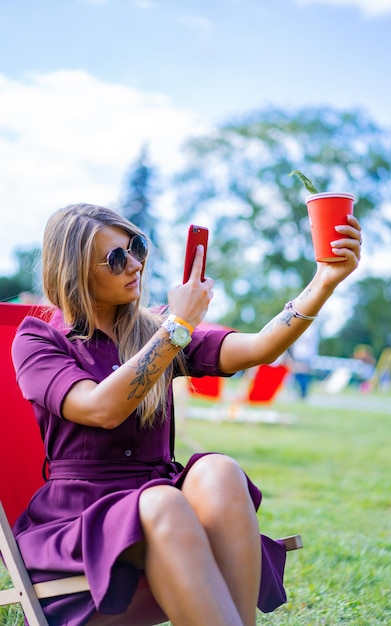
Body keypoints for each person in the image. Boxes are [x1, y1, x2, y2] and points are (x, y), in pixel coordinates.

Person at [12, 203, 362, 626]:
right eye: (118, 258)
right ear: (74, 272)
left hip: (161, 503)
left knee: (218, 471)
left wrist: (324, 280)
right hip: (82, 524)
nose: (136, 265)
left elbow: (261, 347)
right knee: (164, 502)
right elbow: (100, 408)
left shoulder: (152, 329)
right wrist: (176, 325)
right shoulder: (38, 341)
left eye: (137, 247)